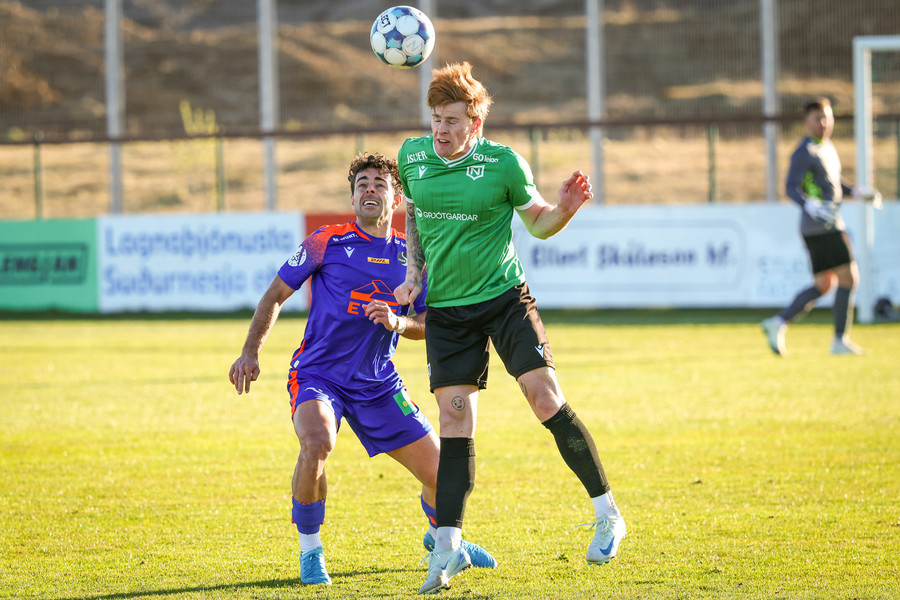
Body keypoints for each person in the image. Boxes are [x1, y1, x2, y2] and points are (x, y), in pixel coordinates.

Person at [393, 62, 626, 595]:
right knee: (454, 423)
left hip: (504, 300)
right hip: (448, 312)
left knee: (544, 398)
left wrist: (565, 209)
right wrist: (412, 274)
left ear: (475, 123)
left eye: (452, 121)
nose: (441, 130)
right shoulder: (412, 157)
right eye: (436, 120)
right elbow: (415, 218)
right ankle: (448, 547)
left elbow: (538, 223)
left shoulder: (503, 164)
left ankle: (608, 514)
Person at [228, 152, 495, 587]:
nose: (370, 189)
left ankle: (441, 539)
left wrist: (398, 323)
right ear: (353, 198)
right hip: (318, 375)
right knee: (317, 442)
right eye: (362, 184)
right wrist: (250, 352)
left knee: (443, 474)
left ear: (396, 198)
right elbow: (275, 294)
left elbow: (429, 324)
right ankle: (310, 551)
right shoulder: (325, 241)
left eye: (379, 184)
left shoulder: (415, 259)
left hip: (378, 383)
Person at [761, 97, 881, 356]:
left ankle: (778, 322)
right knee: (849, 278)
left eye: (827, 117)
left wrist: (857, 191)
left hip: (820, 225)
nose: (823, 123)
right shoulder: (804, 151)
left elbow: (833, 182)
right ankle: (839, 341)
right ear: (807, 121)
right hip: (824, 225)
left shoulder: (826, 147)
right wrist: (809, 205)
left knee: (824, 284)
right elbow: (790, 187)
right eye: (818, 118)